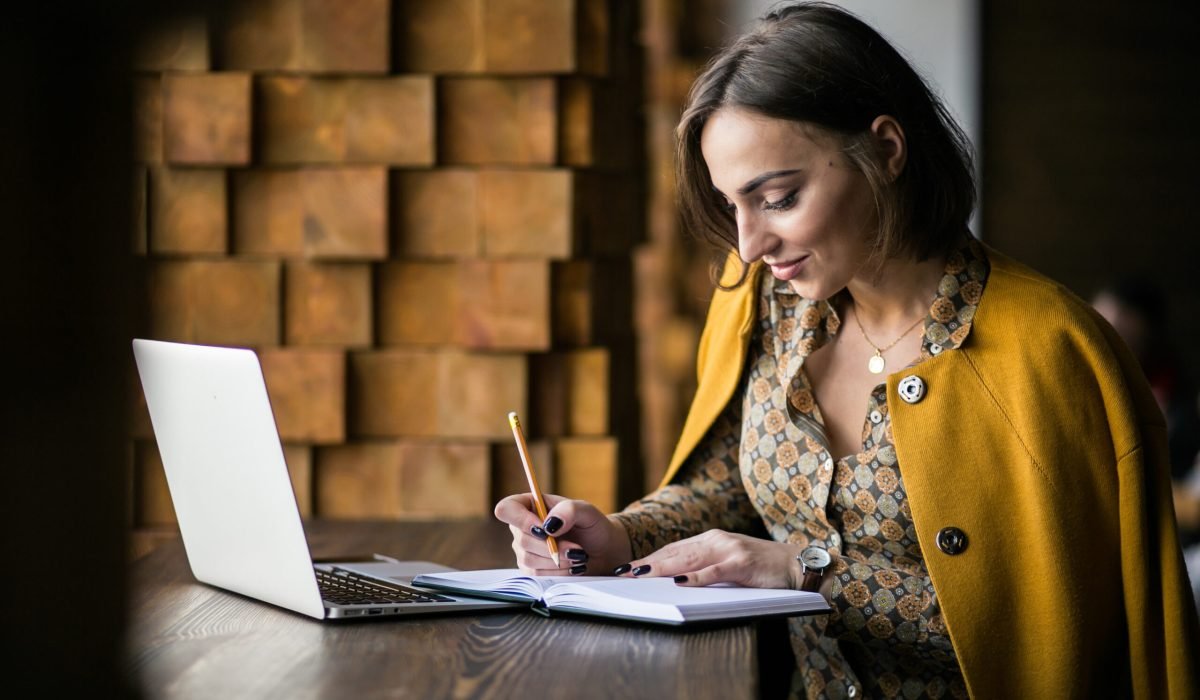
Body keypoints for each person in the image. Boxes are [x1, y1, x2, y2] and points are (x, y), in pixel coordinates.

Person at [494, 3, 1199, 697]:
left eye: (778, 198)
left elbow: (1055, 634)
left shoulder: (1051, 353)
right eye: (731, 204)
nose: (747, 245)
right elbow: (727, 492)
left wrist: (805, 570)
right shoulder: (763, 306)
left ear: (887, 150)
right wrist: (619, 536)